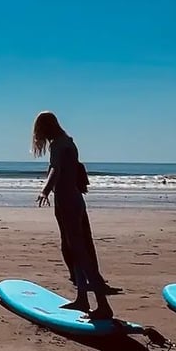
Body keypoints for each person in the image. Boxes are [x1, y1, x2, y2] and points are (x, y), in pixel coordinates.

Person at [32, 111, 113, 319]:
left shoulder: (60, 144)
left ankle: (103, 306)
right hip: (72, 199)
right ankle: (82, 298)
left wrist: (45, 190)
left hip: (67, 201)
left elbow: (56, 170)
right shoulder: (66, 142)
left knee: (79, 252)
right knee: (75, 250)